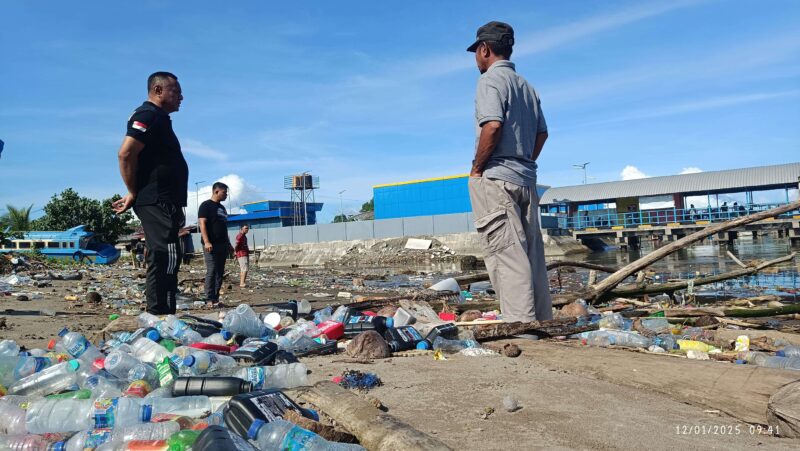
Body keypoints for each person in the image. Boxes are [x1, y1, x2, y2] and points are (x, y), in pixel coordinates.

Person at [466, 21, 552, 322]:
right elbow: (542, 134)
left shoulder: (490, 81)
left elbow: (492, 125)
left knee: (506, 254)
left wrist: (477, 169)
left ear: (485, 49)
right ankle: (541, 319)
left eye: (476, 52)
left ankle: (521, 326)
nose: (476, 58)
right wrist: (525, 161)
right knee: (531, 255)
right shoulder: (527, 86)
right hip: (526, 180)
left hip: (498, 177)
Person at [112, 72, 187, 315]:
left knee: (166, 255)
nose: (181, 97)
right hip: (156, 198)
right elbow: (125, 153)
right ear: (157, 90)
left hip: (165, 200)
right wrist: (132, 191)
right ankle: (160, 313)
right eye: (175, 91)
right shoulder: (148, 115)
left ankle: (163, 310)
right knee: (166, 254)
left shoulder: (159, 118)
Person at [198, 182, 233, 307]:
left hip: (222, 245)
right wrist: (207, 241)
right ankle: (209, 299)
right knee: (212, 270)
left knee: (220, 272)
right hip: (211, 245)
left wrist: (228, 243)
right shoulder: (205, 206)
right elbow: (202, 224)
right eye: (224, 192)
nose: (226, 195)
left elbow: (224, 227)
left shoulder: (222, 208)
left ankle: (216, 298)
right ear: (216, 191)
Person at [234, 224, 250, 288]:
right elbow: (236, 244)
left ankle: (242, 282)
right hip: (241, 254)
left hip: (245, 253)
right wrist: (235, 252)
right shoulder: (240, 236)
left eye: (247, 228)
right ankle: (242, 283)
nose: (247, 229)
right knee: (245, 269)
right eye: (245, 228)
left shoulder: (244, 236)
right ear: (241, 229)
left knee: (243, 269)